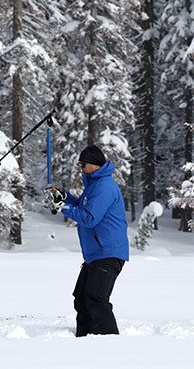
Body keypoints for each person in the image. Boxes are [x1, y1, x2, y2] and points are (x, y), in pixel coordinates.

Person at [47, 144, 129, 337]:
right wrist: (65, 197)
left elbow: (89, 217)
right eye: (80, 164)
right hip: (96, 255)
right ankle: (84, 340)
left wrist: (62, 208)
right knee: (81, 298)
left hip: (108, 252)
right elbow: (82, 204)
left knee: (96, 298)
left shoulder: (105, 187)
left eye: (84, 165)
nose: (81, 168)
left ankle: (109, 342)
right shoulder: (94, 186)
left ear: (95, 165)